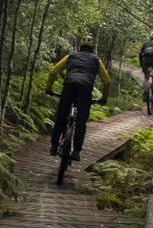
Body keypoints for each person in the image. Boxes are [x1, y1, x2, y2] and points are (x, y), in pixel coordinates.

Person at [44, 36, 112, 164]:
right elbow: (106, 81)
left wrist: (49, 88)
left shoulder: (70, 57)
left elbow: (53, 71)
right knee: (81, 121)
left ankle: (54, 146)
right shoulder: (97, 61)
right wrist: (104, 97)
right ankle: (76, 151)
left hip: (69, 85)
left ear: (80, 47)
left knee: (61, 117)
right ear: (92, 48)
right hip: (85, 89)